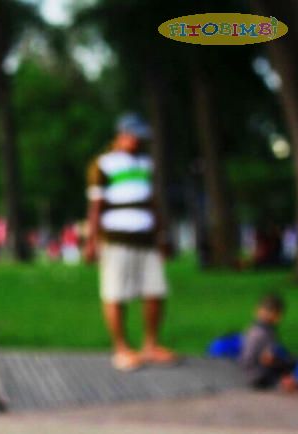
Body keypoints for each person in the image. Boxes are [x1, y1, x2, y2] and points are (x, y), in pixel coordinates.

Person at [84, 113, 176, 371]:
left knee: (155, 291)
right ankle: (121, 348)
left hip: (146, 239)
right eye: (134, 136)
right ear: (121, 135)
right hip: (116, 238)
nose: (137, 142)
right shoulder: (104, 164)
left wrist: (162, 235)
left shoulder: (146, 163)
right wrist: (91, 241)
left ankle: (150, 344)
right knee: (116, 293)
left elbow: (153, 202)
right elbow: (96, 206)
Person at [239, 293, 298, 390]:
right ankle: (289, 382)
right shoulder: (261, 333)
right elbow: (264, 359)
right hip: (259, 375)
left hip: (257, 371)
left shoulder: (260, 329)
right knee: (291, 363)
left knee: (291, 360)